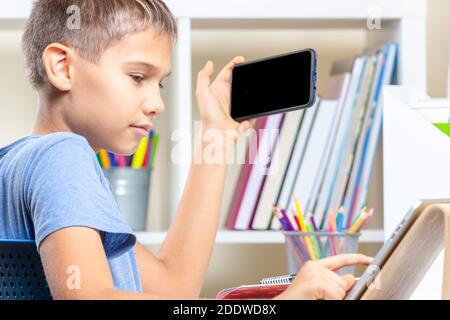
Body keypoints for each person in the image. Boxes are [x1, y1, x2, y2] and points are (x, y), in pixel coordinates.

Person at [0, 0, 372, 299]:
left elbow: (174, 286)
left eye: (159, 84)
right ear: (62, 67)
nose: (156, 103)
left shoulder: (19, 162)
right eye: (137, 77)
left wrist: (217, 132)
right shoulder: (64, 155)